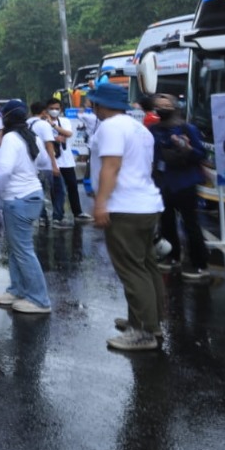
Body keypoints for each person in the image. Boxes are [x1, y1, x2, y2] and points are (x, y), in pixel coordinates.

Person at [88, 82, 165, 351]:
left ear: (99, 104)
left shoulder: (110, 127)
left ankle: (143, 331)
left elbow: (111, 166)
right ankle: (149, 320)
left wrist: (101, 203)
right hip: (146, 204)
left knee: (132, 270)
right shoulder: (139, 128)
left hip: (124, 207)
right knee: (146, 266)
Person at [0, 99, 52, 314]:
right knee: (17, 248)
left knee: (23, 251)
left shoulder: (11, 139)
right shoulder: (30, 136)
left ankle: (39, 299)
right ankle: (17, 289)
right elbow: (43, 163)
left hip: (19, 200)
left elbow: (3, 172)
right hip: (30, 196)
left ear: (6, 118)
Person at [149, 94, 210, 282]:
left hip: (186, 182)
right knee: (167, 222)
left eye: (166, 104)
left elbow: (201, 154)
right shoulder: (153, 130)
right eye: (159, 105)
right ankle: (172, 256)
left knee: (191, 223)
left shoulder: (187, 128)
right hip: (164, 182)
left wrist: (187, 148)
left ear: (175, 107)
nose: (162, 107)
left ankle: (200, 264)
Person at [46, 97, 92, 224]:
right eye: (52, 109)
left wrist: (53, 126)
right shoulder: (42, 123)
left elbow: (69, 133)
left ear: (60, 109)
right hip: (53, 161)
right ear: (47, 109)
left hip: (66, 160)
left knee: (72, 185)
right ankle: (57, 215)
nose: (54, 111)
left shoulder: (64, 120)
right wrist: (56, 138)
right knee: (56, 189)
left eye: (57, 108)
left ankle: (77, 212)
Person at [26, 101, 61, 228]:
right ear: (44, 112)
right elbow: (49, 144)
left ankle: (42, 217)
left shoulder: (26, 124)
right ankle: (57, 218)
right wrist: (54, 165)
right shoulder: (43, 125)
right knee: (57, 190)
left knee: (38, 191)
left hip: (33, 164)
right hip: (45, 163)